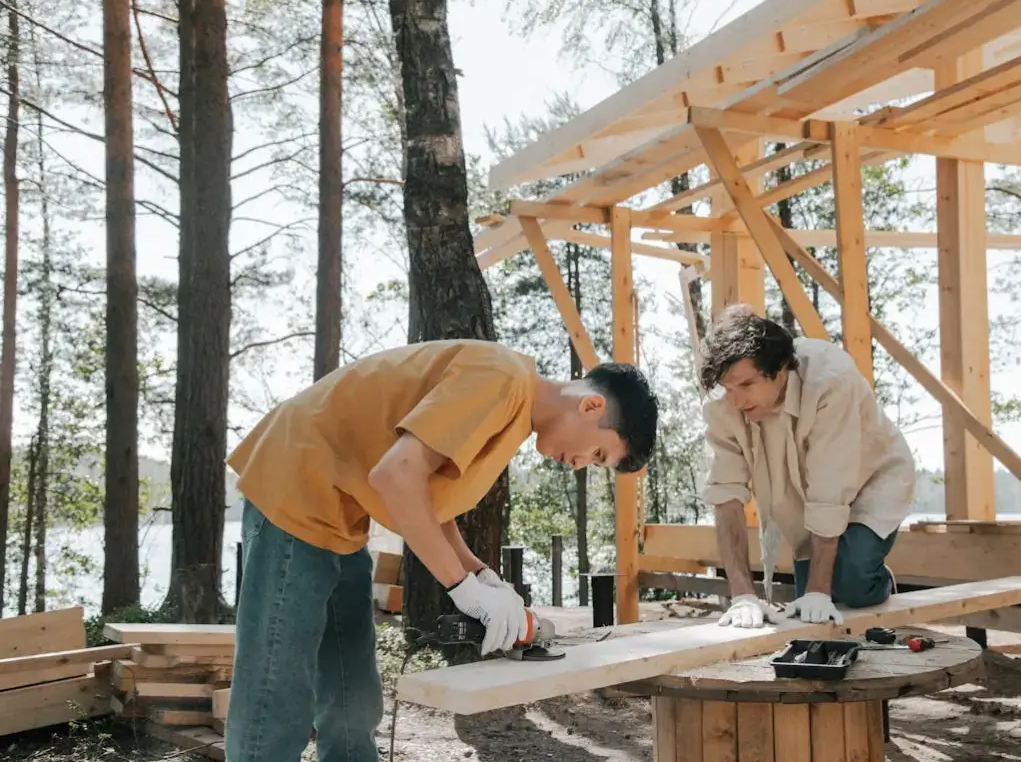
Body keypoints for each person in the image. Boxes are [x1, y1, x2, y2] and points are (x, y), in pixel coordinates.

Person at [222, 339, 658, 762]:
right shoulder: (500, 380)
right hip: (295, 489)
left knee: (352, 699)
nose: (581, 464)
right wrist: (462, 587)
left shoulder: (512, 410)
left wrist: (485, 579)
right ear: (591, 406)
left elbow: (426, 501)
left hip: (341, 516)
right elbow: (395, 475)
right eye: (597, 453)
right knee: (274, 698)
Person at [698, 305, 915, 629]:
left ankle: (880, 582)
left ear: (781, 368)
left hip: (871, 480)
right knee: (809, 625)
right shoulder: (722, 407)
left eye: (746, 385)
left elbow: (829, 489)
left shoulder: (831, 381)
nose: (737, 400)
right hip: (802, 496)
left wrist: (818, 591)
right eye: (729, 388)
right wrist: (743, 596)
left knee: (850, 579)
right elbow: (726, 497)